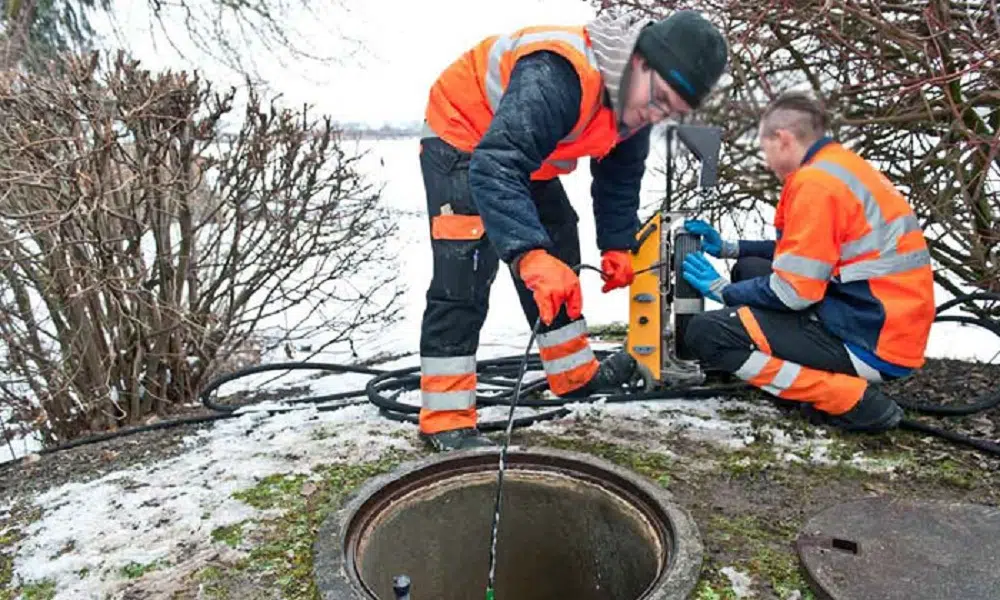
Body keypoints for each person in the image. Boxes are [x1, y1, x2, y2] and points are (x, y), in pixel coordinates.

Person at [416, 10, 729, 451]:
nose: (654, 115)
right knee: (464, 271)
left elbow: (620, 176)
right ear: (639, 62)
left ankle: (573, 375)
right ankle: (445, 418)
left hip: (522, 151)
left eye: (670, 113)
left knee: (560, 237)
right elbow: (497, 165)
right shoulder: (556, 74)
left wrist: (617, 243)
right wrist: (528, 254)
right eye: (658, 99)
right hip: (464, 136)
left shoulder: (635, 104)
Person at [680, 90, 936, 433]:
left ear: (782, 139)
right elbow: (810, 252)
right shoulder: (840, 168)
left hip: (868, 339)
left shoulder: (816, 184)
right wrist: (730, 247)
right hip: (879, 319)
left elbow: (793, 293)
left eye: (764, 147)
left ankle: (849, 398)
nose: (766, 158)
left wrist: (722, 291)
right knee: (750, 271)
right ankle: (775, 372)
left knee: (707, 333)